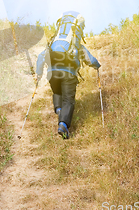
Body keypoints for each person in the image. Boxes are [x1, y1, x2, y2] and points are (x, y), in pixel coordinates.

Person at [36, 11, 101, 139]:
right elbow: (90, 60)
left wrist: (38, 74)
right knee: (68, 100)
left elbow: (40, 57)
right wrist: (97, 66)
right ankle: (63, 125)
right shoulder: (76, 45)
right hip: (69, 74)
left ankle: (59, 110)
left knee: (57, 92)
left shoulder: (53, 42)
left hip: (52, 73)